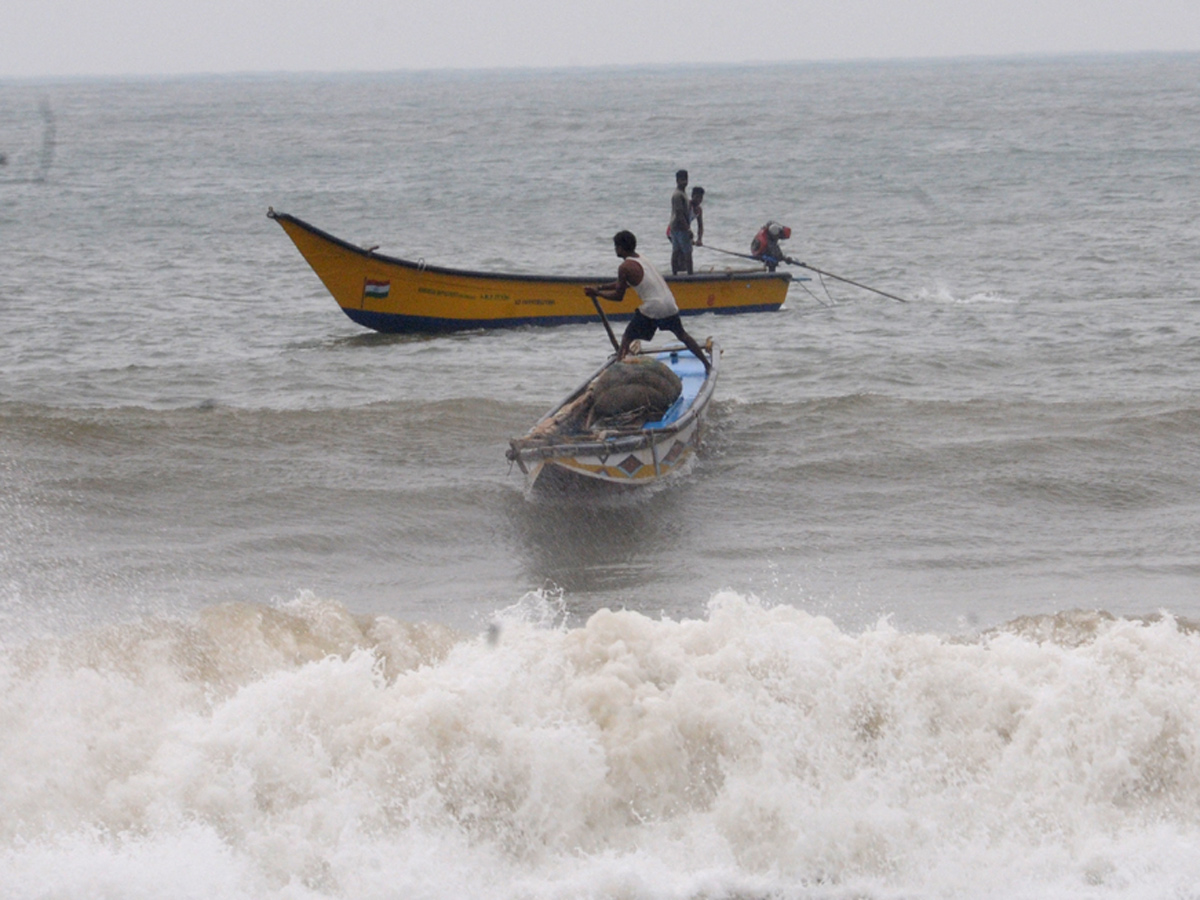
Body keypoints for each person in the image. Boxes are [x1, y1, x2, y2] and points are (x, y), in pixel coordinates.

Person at [585, 230, 711, 372]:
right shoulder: (641, 259)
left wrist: (598, 293)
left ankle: (618, 371)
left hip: (654, 307)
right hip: (669, 303)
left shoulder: (624, 267)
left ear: (620, 248)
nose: (615, 249)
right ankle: (706, 364)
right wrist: (600, 288)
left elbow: (618, 296)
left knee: (627, 337)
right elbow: (624, 284)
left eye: (616, 246)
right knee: (682, 335)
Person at [668, 169, 694, 274]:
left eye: (686, 179)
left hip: (675, 227)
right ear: (677, 180)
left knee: (677, 251)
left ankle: (675, 275)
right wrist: (687, 229)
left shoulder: (682, 193)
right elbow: (679, 214)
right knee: (687, 253)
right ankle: (690, 275)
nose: (684, 182)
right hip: (680, 227)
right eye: (682, 180)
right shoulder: (678, 195)